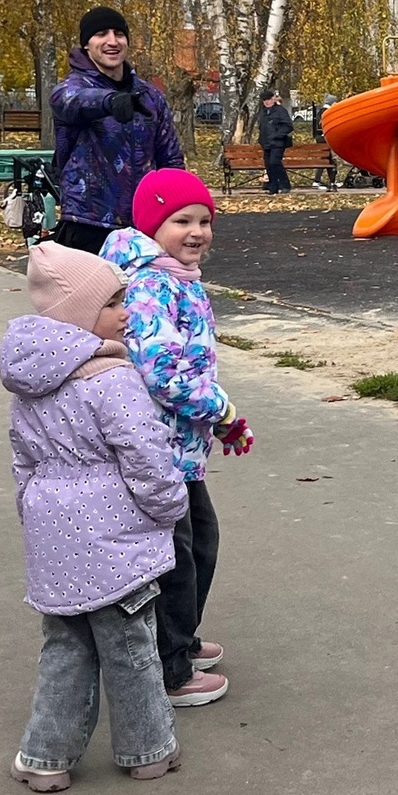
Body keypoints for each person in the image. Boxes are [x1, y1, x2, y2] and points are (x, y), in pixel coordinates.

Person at [3, 243, 186, 791]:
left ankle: (44, 759)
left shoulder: (30, 383)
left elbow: (22, 459)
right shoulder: (111, 378)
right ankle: (147, 749)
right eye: (113, 302)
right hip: (116, 537)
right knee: (130, 646)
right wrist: (168, 507)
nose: (126, 311)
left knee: (64, 647)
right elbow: (146, 454)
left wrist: (33, 510)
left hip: (53, 532)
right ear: (80, 314)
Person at [100, 169, 252, 709]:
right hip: (157, 449)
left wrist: (216, 417)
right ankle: (170, 669)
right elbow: (162, 372)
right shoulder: (150, 286)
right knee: (176, 557)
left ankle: (179, 641)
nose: (197, 231)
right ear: (151, 225)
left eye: (205, 220)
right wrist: (221, 409)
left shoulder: (177, 277)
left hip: (181, 446)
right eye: (181, 220)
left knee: (198, 543)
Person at [48, 6, 184, 257]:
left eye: (119, 34)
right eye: (101, 34)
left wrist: (177, 207)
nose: (112, 41)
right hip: (88, 225)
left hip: (144, 225)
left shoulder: (149, 95)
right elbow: (71, 100)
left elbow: (171, 158)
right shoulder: (70, 88)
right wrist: (110, 101)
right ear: (86, 44)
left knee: (145, 296)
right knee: (95, 297)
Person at [257, 89, 293, 193]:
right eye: (264, 100)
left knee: (274, 162)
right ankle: (273, 187)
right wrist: (261, 139)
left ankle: (285, 184)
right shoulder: (263, 112)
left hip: (278, 142)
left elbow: (288, 126)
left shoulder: (280, 111)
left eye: (268, 99)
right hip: (266, 143)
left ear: (273, 99)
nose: (266, 102)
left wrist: (277, 135)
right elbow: (262, 126)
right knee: (268, 164)